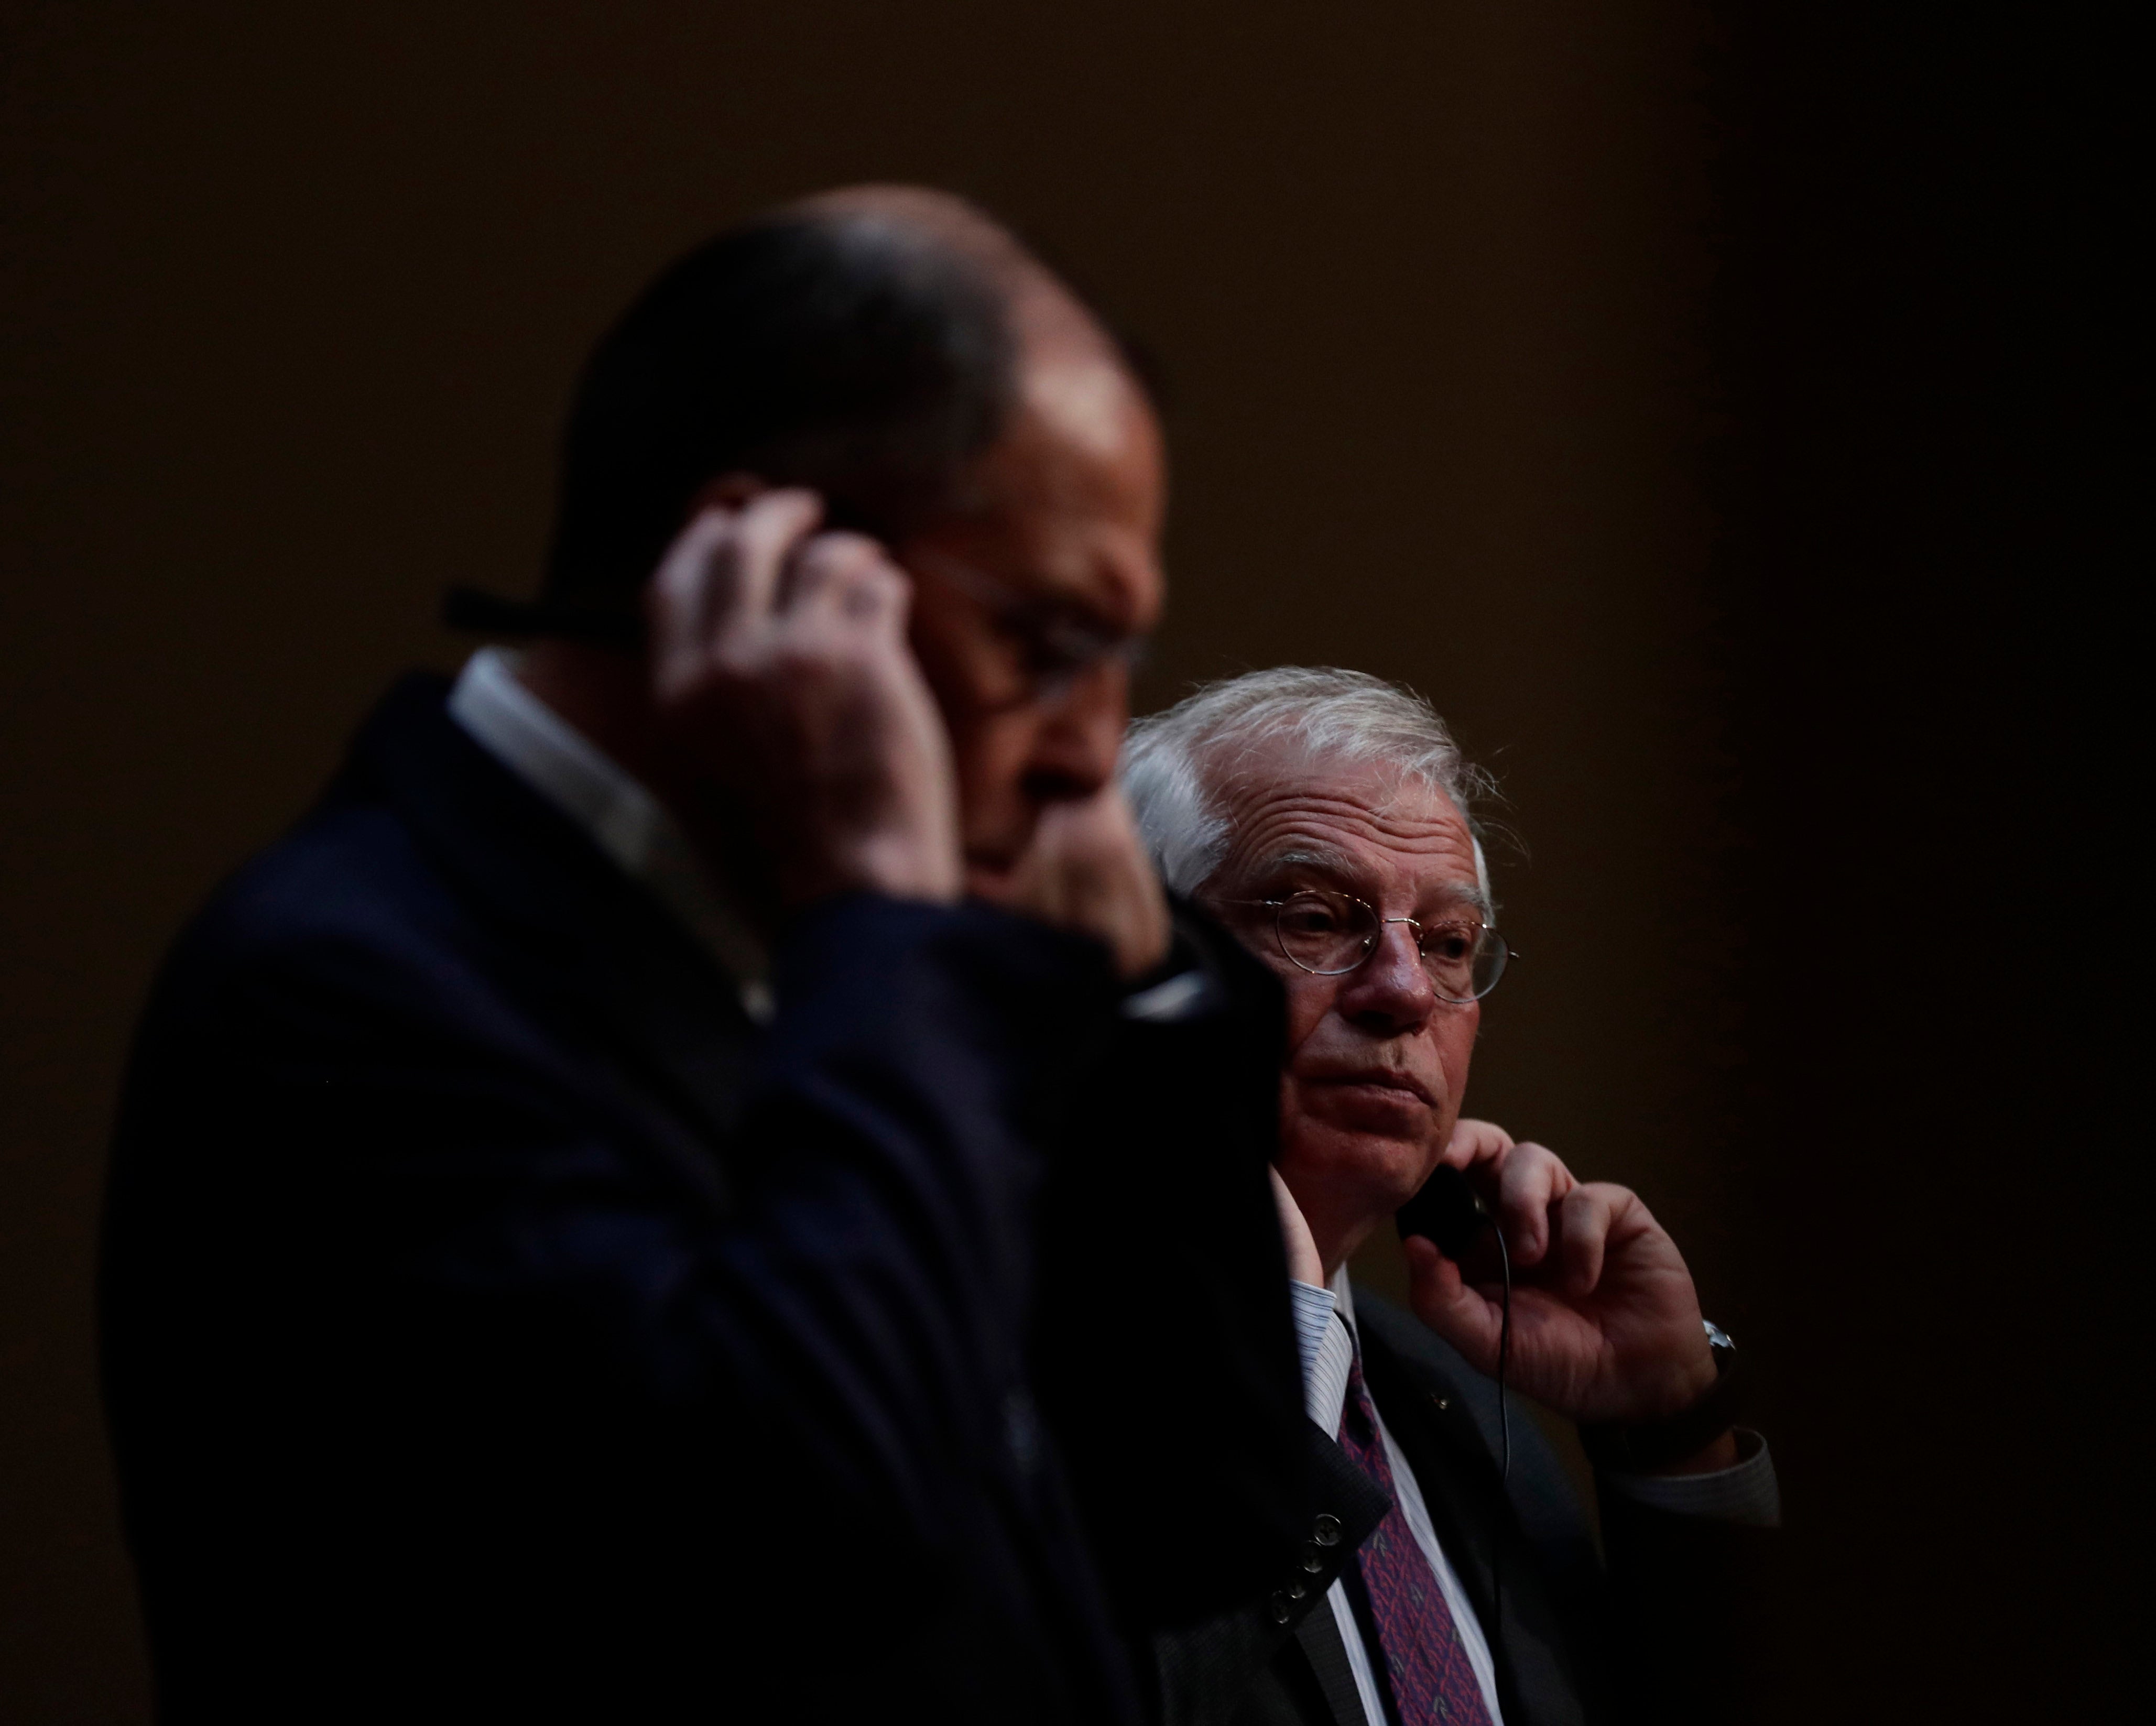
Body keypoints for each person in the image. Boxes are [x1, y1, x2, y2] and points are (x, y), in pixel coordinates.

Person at [99, 189, 1312, 1722]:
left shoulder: (889, 954)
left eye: (1115, 658)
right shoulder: (347, 984)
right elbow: (818, 1540)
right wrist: (882, 905)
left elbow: (1199, 1520)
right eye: (1046, 641)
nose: (1089, 754)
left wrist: (1136, 1007)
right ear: (765, 574)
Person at [1121, 669, 1778, 1726]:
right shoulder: (981, 1366)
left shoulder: (1452, 1401)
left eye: (1446, 944)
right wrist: (1277, 1351)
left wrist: (1668, 1431)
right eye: (1313, 917)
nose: (1406, 992)